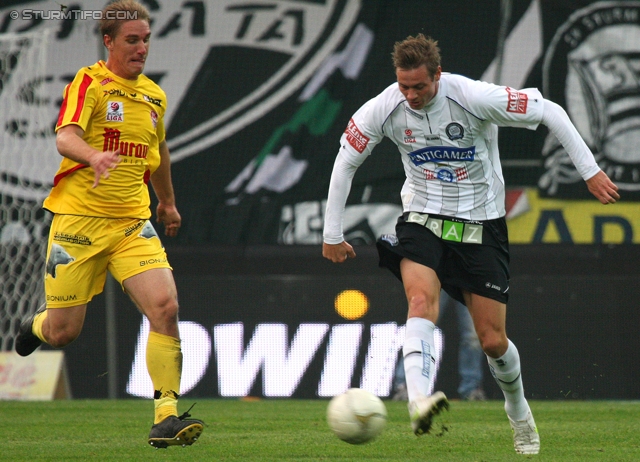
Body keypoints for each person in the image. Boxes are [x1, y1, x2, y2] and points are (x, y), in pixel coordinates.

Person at [322, 34, 619, 454]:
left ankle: (519, 414)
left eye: (419, 87)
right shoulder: (382, 108)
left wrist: (588, 171)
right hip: (423, 219)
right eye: (404, 86)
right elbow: (345, 162)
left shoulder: (475, 97)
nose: (410, 96)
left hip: (481, 227)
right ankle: (419, 400)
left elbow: (550, 111)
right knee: (421, 302)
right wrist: (331, 234)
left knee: (493, 341)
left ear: (437, 77)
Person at [14, 0, 203, 449]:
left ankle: (166, 417)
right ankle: (36, 326)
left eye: (146, 39)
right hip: (78, 223)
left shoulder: (154, 96)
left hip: (132, 224)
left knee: (166, 308)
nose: (141, 48)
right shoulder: (90, 82)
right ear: (109, 41)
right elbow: (65, 135)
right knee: (64, 332)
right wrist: (94, 155)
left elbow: (159, 153)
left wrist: (168, 203)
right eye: (132, 40)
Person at [393, 290, 486, 402]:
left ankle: (471, 389)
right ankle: (405, 386)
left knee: (472, 336)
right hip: (438, 276)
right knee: (420, 330)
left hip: (468, 277)